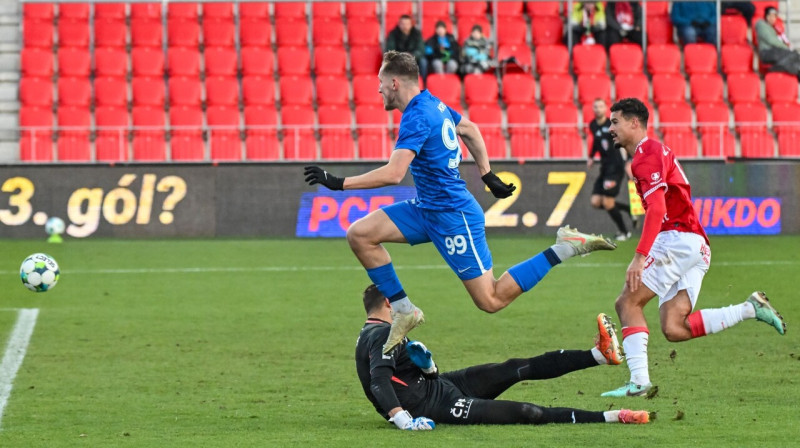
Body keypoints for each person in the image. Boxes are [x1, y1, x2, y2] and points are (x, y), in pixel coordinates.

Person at [304, 51, 617, 354]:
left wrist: (338, 183)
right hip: (427, 208)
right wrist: (487, 173)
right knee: (359, 234)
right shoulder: (432, 103)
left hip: (454, 215)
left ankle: (565, 246)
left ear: (395, 83)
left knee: (491, 300)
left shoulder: (417, 116)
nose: (378, 88)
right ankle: (404, 311)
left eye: (381, 82)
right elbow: (469, 128)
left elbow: (394, 173)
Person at [601, 98, 786, 397]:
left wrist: (639, 257)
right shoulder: (655, 150)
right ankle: (749, 309)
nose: (610, 128)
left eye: (615, 122)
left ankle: (639, 382)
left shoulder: (644, 157)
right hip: (696, 245)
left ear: (634, 122)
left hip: (676, 239)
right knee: (674, 328)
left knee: (627, 303)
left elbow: (656, 208)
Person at [355, 284, 651, 429]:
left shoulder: (373, 333)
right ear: (386, 302)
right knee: (525, 412)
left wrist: (430, 368)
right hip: (437, 405)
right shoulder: (381, 334)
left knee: (514, 367)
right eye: (400, 301)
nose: (405, 306)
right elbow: (379, 383)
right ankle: (613, 417)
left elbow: (399, 379)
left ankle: (599, 355)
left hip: (442, 385)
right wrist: (404, 421)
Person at [587, 98, 635, 241]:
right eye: (595, 106)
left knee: (608, 203)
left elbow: (624, 141)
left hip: (615, 167)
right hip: (604, 167)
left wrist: (628, 163)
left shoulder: (612, 124)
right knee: (595, 202)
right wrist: (590, 156)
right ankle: (627, 209)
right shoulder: (593, 125)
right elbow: (596, 141)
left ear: (605, 109)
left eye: (600, 106)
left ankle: (624, 232)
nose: (597, 109)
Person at [754, 7, 800, 77]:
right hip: (766, 52)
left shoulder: (773, 28)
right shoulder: (761, 24)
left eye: (774, 16)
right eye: (770, 15)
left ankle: (795, 74)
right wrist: (786, 47)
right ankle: (773, 69)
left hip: (776, 51)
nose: (772, 18)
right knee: (793, 55)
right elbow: (771, 40)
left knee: (796, 57)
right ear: (766, 16)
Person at [386, 15, 428, 80]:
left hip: (414, 58)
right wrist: (402, 56)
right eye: (403, 24)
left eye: (407, 24)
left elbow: (421, 50)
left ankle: (422, 82)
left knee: (423, 61)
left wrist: (411, 56)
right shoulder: (393, 34)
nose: (405, 26)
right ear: (399, 24)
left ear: (411, 24)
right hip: (399, 58)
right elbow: (390, 50)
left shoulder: (417, 34)